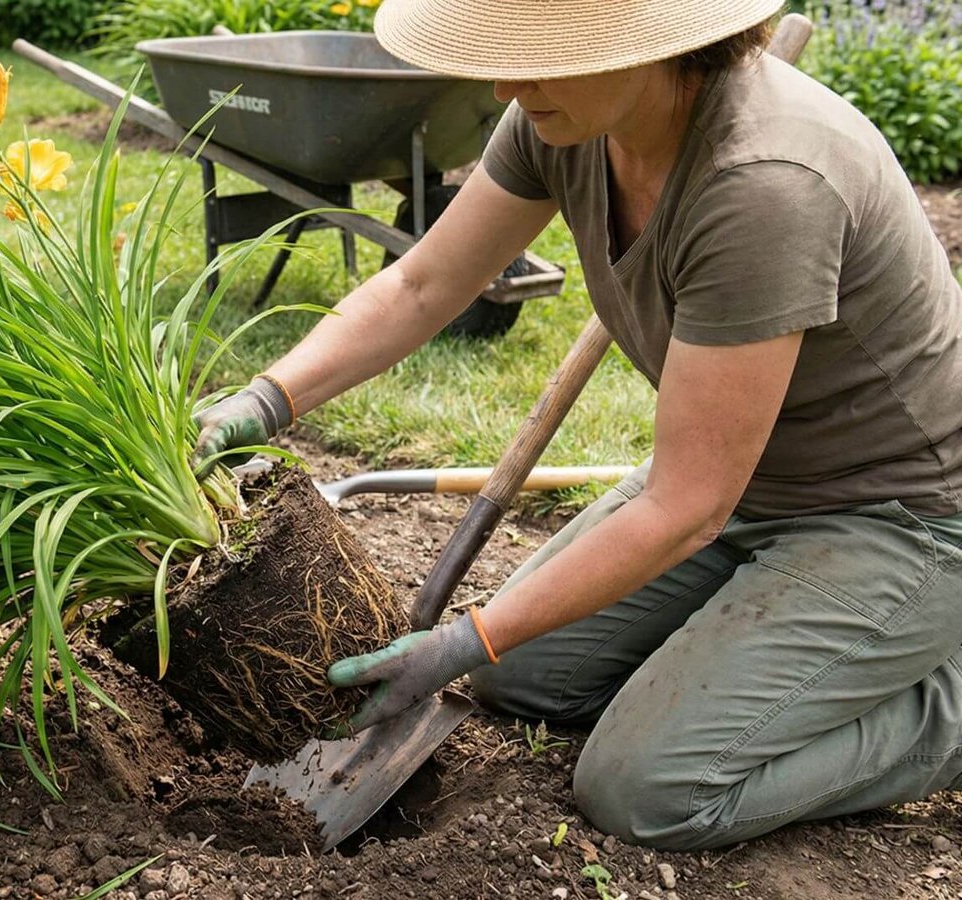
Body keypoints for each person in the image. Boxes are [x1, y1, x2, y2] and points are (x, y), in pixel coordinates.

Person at [192, 0, 962, 851]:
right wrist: (265, 398)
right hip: (748, 485)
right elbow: (422, 288)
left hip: (902, 518)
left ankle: (940, 708)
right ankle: (777, 656)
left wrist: (463, 636)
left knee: (646, 787)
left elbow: (686, 506)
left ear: (651, 47)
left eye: (540, 55)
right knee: (518, 674)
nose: (503, 84)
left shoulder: (765, 185)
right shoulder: (557, 121)